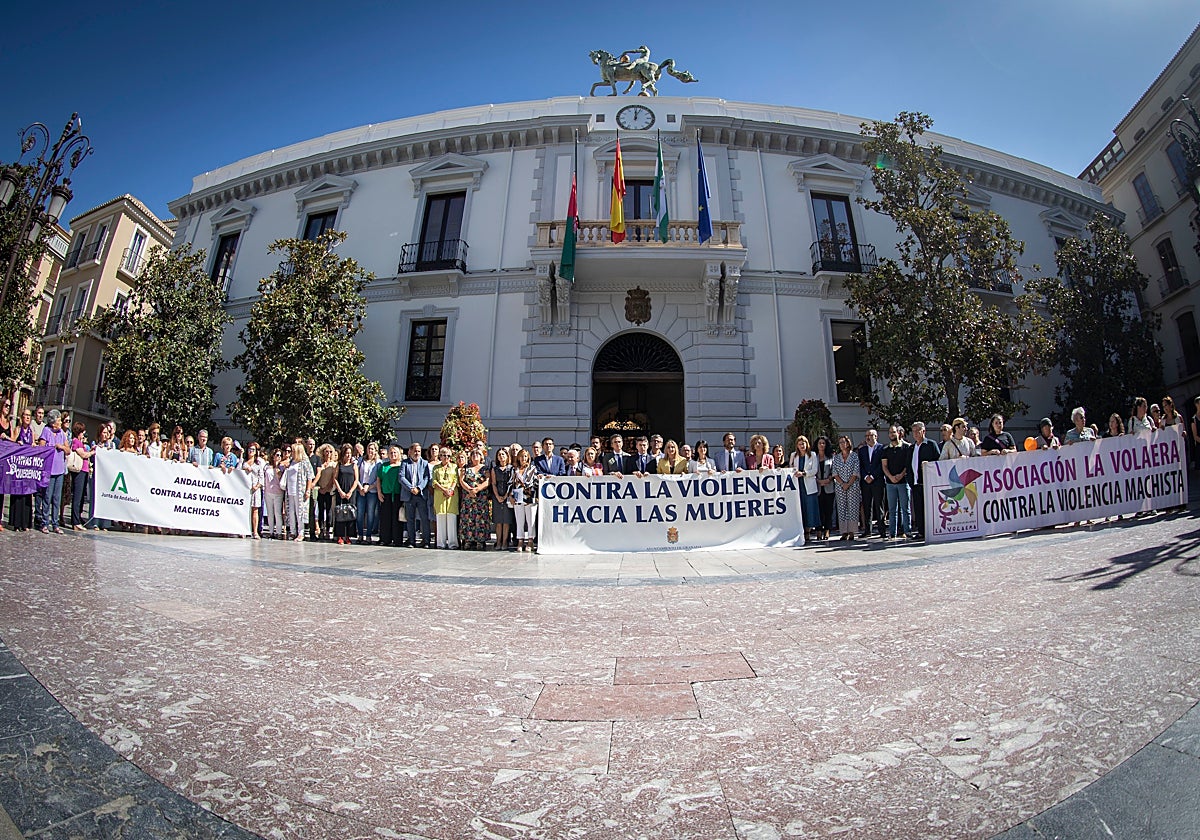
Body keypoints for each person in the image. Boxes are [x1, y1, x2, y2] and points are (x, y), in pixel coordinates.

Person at [37, 409, 69, 533]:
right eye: (59, 420)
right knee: (47, 497)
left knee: (57, 498)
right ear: (53, 421)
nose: (60, 422)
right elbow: (41, 448)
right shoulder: (46, 431)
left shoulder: (62, 433)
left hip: (60, 470)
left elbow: (68, 450)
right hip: (49, 470)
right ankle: (44, 522)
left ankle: (55, 524)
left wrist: (61, 447)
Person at [909, 421, 941, 541]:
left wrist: (929, 464)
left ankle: (932, 530)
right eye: (914, 431)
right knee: (918, 508)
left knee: (929, 508)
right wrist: (910, 481)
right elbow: (909, 465)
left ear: (923, 431)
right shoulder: (912, 447)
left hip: (928, 483)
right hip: (916, 483)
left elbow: (938, 461)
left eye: (918, 431)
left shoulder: (931, 444)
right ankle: (921, 531)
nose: (916, 434)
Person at [880, 425, 912, 541]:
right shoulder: (885, 449)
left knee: (905, 509)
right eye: (890, 432)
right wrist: (891, 477)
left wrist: (900, 475)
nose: (891, 434)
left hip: (903, 482)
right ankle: (892, 533)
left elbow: (908, 464)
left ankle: (907, 531)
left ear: (899, 433)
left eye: (893, 432)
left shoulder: (907, 447)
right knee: (892, 509)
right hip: (890, 483)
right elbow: (884, 466)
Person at [8, 408, 34, 532]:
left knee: (26, 494)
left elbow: (33, 444)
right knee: (17, 494)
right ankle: (16, 523)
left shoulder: (31, 431)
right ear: (22, 417)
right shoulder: (18, 429)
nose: (27, 418)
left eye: (29, 416)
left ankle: (25, 523)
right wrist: (17, 443)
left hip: (27, 468)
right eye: (26, 415)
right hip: (18, 468)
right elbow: (12, 442)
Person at [458, 448, 491, 550]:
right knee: (468, 519)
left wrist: (477, 489)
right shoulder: (465, 468)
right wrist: (469, 490)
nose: (475, 455)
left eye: (478, 454)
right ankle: (468, 540)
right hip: (468, 498)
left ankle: (480, 541)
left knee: (480, 519)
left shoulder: (485, 468)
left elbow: (488, 481)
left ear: (482, 456)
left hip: (480, 498)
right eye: (473, 454)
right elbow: (461, 480)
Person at [400, 443, 432, 548]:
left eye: (418, 451)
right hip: (409, 494)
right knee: (410, 519)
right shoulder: (405, 463)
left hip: (421, 494)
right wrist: (411, 488)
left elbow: (427, 477)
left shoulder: (424, 463)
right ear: (410, 452)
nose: (417, 453)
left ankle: (426, 541)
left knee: (424, 518)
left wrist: (419, 488)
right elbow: (401, 477)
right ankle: (411, 541)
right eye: (415, 451)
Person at [283, 443, 315, 542]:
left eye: (293, 451)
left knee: (300, 512)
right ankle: (293, 531)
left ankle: (301, 532)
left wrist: (308, 490)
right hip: (290, 490)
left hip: (300, 490)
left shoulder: (304, 462)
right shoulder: (292, 462)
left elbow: (310, 476)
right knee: (291, 511)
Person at [832, 434, 861, 541]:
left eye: (843, 442)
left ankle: (852, 531)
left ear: (848, 443)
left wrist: (848, 483)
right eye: (840, 443)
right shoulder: (837, 457)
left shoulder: (854, 456)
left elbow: (855, 471)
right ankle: (844, 532)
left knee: (852, 509)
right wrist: (842, 484)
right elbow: (834, 472)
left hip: (852, 486)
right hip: (840, 486)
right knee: (842, 509)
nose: (842, 445)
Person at [790, 436, 819, 541]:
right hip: (798, 485)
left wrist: (804, 473)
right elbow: (790, 468)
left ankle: (811, 530)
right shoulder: (794, 455)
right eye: (800, 444)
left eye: (804, 443)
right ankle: (803, 531)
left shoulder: (812, 455)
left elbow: (814, 470)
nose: (802, 446)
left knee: (810, 509)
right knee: (801, 509)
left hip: (809, 485)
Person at [857, 428, 884, 537]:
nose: (868, 437)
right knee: (867, 506)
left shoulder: (881, 448)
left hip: (877, 481)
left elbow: (881, 465)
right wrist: (865, 476)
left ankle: (882, 530)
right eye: (866, 435)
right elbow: (861, 465)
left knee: (879, 506)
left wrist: (872, 476)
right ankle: (868, 530)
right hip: (865, 482)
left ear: (876, 437)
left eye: (870, 435)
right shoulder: (862, 450)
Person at [375, 444, 404, 547]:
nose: (393, 454)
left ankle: (397, 540)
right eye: (391, 453)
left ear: (399, 454)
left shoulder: (402, 465)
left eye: (395, 452)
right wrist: (379, 492)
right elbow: (379, 479)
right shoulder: (384, 466)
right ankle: (385, 539)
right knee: (385, 517)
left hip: (397, 494)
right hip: (386, 494)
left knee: (397, 518)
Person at [68, 422, 95, 530]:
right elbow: (83, 454)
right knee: (77, 497)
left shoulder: (81, 442)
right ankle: (75, 522)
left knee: (81, 497)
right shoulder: (76, 442)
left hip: (84, 470)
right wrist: (92, 452)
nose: (84, 434)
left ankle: (78, 518)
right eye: (82, 432)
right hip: (78, 471)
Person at [511, 448, 539, 552]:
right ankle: (520, 540)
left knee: (531, 520)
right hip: (517, 497)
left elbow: (534, 483)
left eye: (526, 456)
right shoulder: (515, 469)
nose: (524, 458)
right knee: (519, 521)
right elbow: (511, 483)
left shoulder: (532, 469)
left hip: (529, 497)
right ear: (518, 457)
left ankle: (530, 540)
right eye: (522, 456)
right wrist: (511, 496)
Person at [432, 448, 460, 550]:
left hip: (452, 496)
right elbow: (434, 482)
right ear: (440, 456)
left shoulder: (454, 467)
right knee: (441, 519)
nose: (446, 457)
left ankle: (453, 543)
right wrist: (444, 490)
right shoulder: (436, 468)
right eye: (444, 455)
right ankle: (441, 543)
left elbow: (456, 479)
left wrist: (451, 489)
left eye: (448, 455)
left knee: (452, 519)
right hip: (440, 495)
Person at [332, 444, 359, 545]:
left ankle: (348, 535)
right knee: (340, 513)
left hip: (351, 492)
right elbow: (335, 478)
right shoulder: (339, 465)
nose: (348, 455)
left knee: (350, 514)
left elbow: (356, 479)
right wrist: (340, 491)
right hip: (341, 491)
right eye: (346, 453)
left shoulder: (354, 466)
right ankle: (340, 535)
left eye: (350, 453)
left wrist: (351, 491)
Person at [489, 446, 515, 550]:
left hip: (507, 495)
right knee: (498, 521)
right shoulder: (494, 469)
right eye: (499, 455)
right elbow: (493, 484)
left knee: (506, 521)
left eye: (503, 454)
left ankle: (505, 542)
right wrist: (498, 496)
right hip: (497, 496)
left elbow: (511, 483)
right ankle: (498, 541)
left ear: (507, 456)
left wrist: (505, 496)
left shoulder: (511, 468)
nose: (501, 456)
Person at [356, 441, 380, 545]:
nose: (370, 451)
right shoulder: (361, 460)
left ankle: (369, 535)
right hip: (361, 489)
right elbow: (356, 476)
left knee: (371, 514)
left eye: (373, 449)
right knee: (360, 513)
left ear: (376, 451)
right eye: (369, 448)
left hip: (372, 490)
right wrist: (360, 487)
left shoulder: (378, 463)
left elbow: (379, 479)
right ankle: (360, 534)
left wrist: (370, 487)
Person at [813, 436, 836, 541]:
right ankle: (818, 530)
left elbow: (834, 470)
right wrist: (818, 480)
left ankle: (827, 530)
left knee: (828, 511)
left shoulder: (831, 457)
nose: (821, 445)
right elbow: (812, 471)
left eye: (823, 443)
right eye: (820, 443)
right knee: (819, 510)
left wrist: (829, 479)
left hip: (829, 487)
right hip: (817, 487)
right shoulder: (814, 457)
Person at [313, 444, 337, 541]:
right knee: (320, 510)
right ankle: (321, 530)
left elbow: (333, 478)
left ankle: (328, 530)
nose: (328, 453)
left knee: (329, 511)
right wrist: (320, 487)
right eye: (326, 451)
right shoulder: (321, 464)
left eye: (330, 452)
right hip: (320, 489)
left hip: (329, 490)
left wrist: (327, 488)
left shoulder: (334, 465)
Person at [263, 449, 285, 539]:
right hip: (268, 492)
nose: (278, 457)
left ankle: (279, 532)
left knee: (277, 513)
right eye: (276, 455)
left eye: (280, 455)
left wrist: (280, 473)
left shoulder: (282, 467)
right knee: (270, 513)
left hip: (278, 492)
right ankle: (271, 531)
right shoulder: (267, 466)